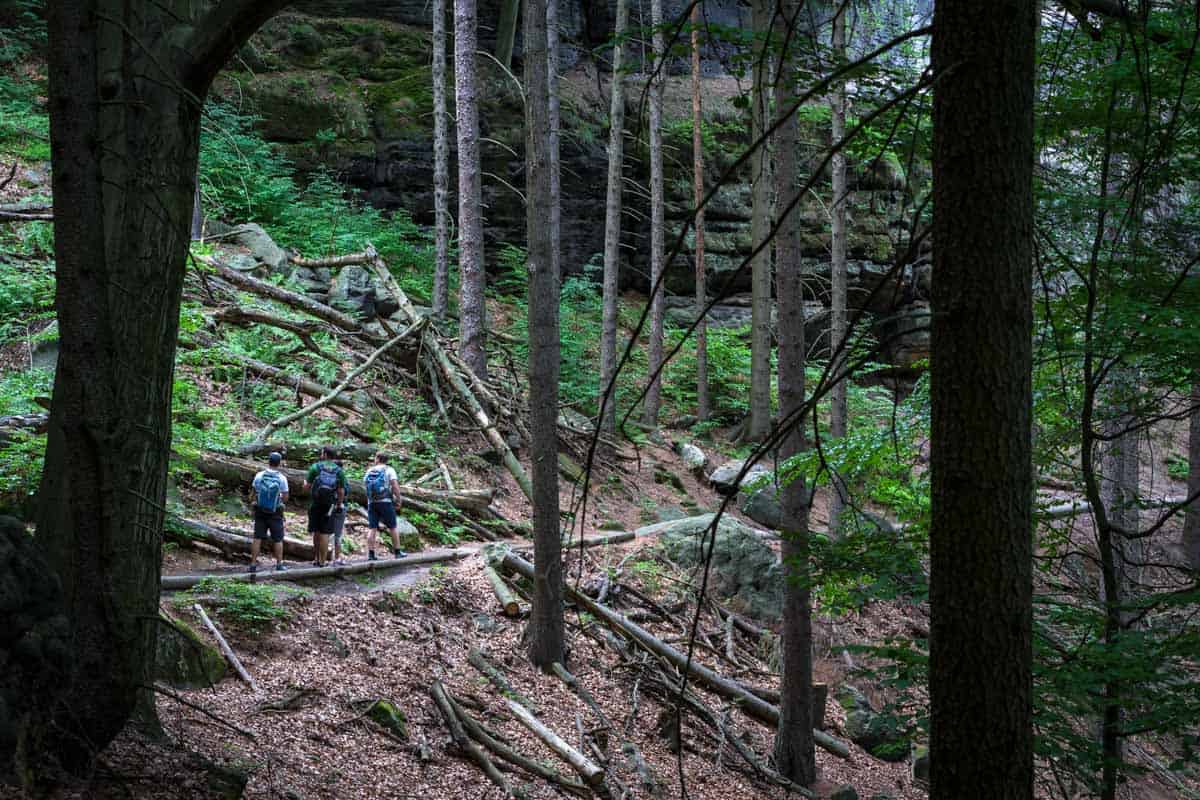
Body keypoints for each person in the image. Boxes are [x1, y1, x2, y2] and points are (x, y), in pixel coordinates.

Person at [302, 446, 347, 568]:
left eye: (322, 453)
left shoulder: (315, 467)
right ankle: (322, 562)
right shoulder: (339, 471)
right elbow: (341, 491)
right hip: (329, 506)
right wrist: (338, 504)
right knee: (325, 533)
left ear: (325, 454)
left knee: (316, 531)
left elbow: (306, 487)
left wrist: (306, 486)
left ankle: (316, 559)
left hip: (315, 504)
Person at [250, 452, 289, 573]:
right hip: (275, 512)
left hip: (260, 510)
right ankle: (279, 564)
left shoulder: (259, 475)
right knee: (278, 539)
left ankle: (253, 564)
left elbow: (253, 493)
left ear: (268, 461)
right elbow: (286, 497)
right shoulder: (282, 478)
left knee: (257, 537)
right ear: (279, 463)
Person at [364, 451, 407, 560]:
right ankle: (397, 552)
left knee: (372, 528)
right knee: (392, 527)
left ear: (378, 459)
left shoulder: (370, 471)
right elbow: (394, 485)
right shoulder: (389, 470)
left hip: (372, 503)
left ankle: (371, 554)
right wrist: (398, 499)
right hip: (386, 502)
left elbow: (365, 485)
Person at [329, 458, 349, 566]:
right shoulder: (342, 479)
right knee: (338, 534)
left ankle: (319, 558)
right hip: (339, 507)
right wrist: (339, 504)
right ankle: (337, 558)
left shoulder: (326, 477)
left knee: (325, 532)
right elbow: (344, 492)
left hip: (327, 507)